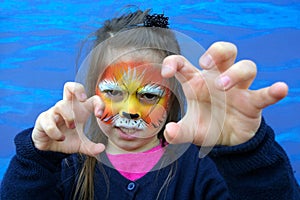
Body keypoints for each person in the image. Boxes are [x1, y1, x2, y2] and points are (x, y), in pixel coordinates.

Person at [1, 9, 299, 200]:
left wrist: (245, 151)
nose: (129, 110)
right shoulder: (66, 168)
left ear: (172, 99)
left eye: (148, 95)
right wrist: (37, 158)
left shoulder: (203, 170)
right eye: (114, 92)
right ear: (91, 91)